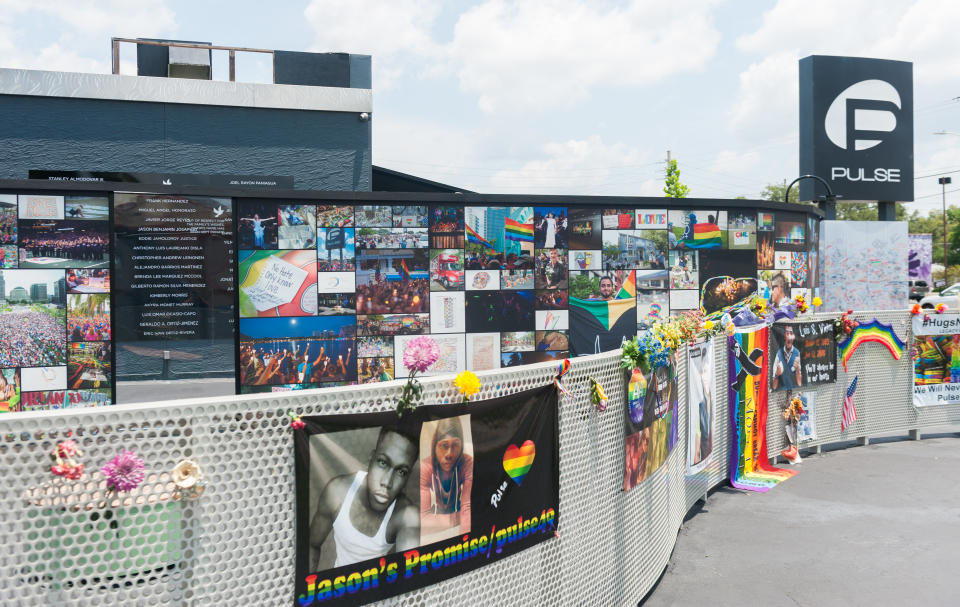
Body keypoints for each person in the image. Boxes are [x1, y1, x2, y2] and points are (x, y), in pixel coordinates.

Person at [309, 425, 420, 570]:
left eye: (401, 472)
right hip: (336, 587)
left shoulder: (406, 515)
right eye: (382, 462)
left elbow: (409, 572)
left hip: (380, 589)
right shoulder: (338, 492)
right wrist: (310, 590)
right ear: (371, 459)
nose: (387, 482)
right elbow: (311, 545)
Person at [420, 417, 473, 541]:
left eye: (455, 445)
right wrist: (457, 517)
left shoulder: (467, 463)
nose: (449, 454)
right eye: (444, 445)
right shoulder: (426, 468)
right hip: (438, 528)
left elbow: (467, 507)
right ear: (434, 446)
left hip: (452, 523)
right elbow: (422, 521)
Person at [773, 325, 802, 391]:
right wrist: (777, 374)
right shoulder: (779, 353)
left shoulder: (797, 353)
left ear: (793, 337)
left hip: (794, 391)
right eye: (787, 333)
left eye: (791, 333)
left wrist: (797, 370)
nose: (789, 336)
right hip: (780, 392)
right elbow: (774, 387)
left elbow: (800, 383)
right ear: (784, 337)